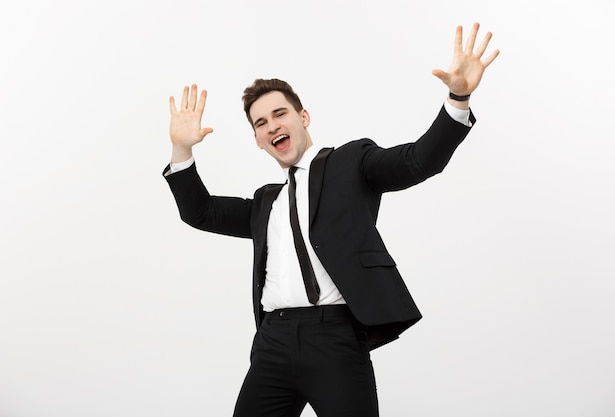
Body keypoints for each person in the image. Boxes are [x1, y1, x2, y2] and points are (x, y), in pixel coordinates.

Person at [163, 22, 498, 417]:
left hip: (335, 338)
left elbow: (418, 160)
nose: (272, 125)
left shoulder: (349, 163)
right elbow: (199, 212)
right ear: (257, 140)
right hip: (273, 341)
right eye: (260, 123)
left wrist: (458, 96)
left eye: (279, 113)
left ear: (303, 117)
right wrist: (180, 147)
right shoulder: (264, 204)